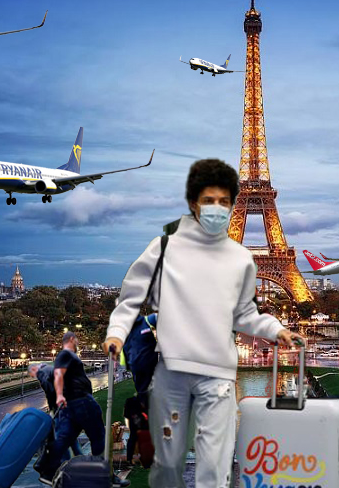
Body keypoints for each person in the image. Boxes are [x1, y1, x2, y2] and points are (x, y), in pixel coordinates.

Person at [103, 158, 304, 488]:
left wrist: (275, 330)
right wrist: (116, 333)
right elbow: (132, 297)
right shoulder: (164, 246)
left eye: (223, 201)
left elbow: (244, 314)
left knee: (215, 452)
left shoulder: (236, 256)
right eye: (209, 200)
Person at [46, 332, 128, 487]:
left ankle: (48, 471)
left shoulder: (66, 356)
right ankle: (107, 476)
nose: (78, 344)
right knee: (100, 439)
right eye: (77, 340)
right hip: (82, 402)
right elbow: (58, 374)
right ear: (71, 340)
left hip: (71, 405)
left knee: (63, 439)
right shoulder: (66, 354)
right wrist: (58, 395)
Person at [27, 363, 83, 458]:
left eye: (33, 376)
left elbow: (50, 391)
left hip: (61, 407)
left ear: (33, 369)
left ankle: (65, 461)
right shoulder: (50, 368)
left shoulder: (41, 373)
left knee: (59, 435)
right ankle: (80, 457)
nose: (35, 378)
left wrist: (52, 408)